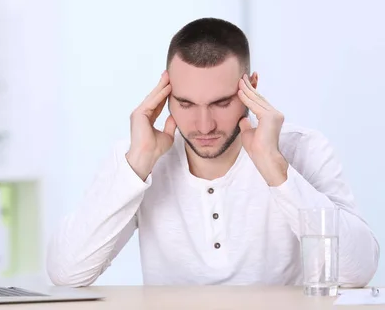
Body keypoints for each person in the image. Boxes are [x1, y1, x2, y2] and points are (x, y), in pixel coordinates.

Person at [46, 17, 380, 287]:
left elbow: (357, 271)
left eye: (221, 103)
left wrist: (275, 168)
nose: (204, 125)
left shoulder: (302, 148)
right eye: (186, 103)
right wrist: (137, 166)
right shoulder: (138, 156)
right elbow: (66, 273)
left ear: (251, 88)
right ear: (164, 96)